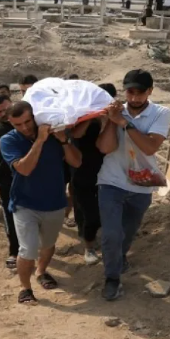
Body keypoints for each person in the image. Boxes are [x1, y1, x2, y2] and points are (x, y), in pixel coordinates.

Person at [95, 69, 170, 301]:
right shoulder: (116, 111)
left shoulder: (161, 113)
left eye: (140, 93)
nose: (135, 98)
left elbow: (149, 147)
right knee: (111, 234)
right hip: (111, 180)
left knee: (128, 231)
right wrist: (112, 121)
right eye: (130, 92)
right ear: (124, 91)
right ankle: (112, 278)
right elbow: (105, 148)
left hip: (142, 183)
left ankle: (119, 257)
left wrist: (124, 123)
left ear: (150, 91)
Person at [0, 101, 82, 304]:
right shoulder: (8, 140)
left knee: (48, 244)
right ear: (10, 123)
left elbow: (76, 162)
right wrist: (39, 141)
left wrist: (63, 141)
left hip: (55, 202)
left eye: (28, 121)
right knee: (27, 249)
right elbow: (24, 169)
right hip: (24, 203)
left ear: (34, 117)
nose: (25, 127)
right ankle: (25, 288)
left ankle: (41, 271)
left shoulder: (55, 135)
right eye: (18, 124)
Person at [70, 83, 113, 265]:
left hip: (108, 171)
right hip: (84, 171)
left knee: (106, 211)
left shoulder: (113, 117)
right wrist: (91, 116)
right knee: (90, 214)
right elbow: (76, 135)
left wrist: (109, 118)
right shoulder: (82, 115)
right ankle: (89, 247)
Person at [0, 94, 20, 270]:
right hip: (7, 178)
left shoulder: (25, 120)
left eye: (5, 109)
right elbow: (9, 153)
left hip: (28, 176)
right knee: (10, 214)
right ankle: (14, 251)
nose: (2, 114)